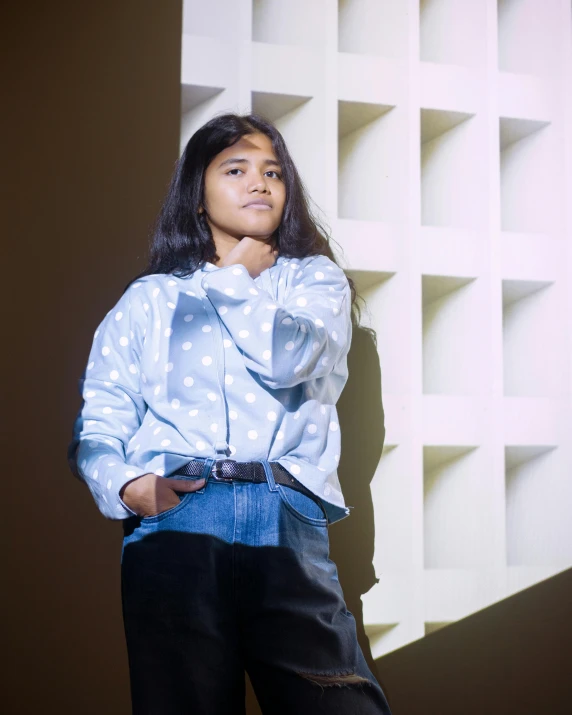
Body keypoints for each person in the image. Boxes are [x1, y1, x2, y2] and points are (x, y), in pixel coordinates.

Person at [67, 112, 393, 715]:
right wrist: (129, 487)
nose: (259, 183)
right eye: (236, 169)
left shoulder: (314, 282)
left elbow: (288, 357)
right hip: (176, 522)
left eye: (273, 171)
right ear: (198, 193)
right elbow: (102, 414)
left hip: (285, 515)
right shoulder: (150, 299)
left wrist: (233, 280)